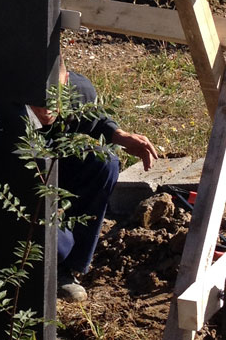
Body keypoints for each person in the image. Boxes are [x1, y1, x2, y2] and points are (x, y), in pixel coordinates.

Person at [32, 59, 157, 302]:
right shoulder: (5, 104)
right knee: (56, 246)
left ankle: (66, 267)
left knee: (104, 162)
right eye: (39, 98)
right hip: (23, 175)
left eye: (54, 97)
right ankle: (50, 253)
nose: (47, 107)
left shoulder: (79, 90)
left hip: (56, 166)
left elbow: (93, 118)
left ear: (66, 83)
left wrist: (120, 135)